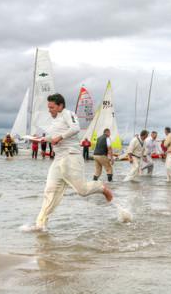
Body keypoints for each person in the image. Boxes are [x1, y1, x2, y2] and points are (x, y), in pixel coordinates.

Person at [29, 93, 113, 232]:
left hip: (71, 157)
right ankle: (40, 224)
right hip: (58, 158)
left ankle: (101, 187)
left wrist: (60, 137)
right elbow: (53, 138)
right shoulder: (54, 121)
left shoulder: (68, 113)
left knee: (82, 190)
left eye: (52, 107)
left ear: (60, 106)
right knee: (50, 190)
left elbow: (75, 128)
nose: (49, 110)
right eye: (48, 107)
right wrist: (43, 139)